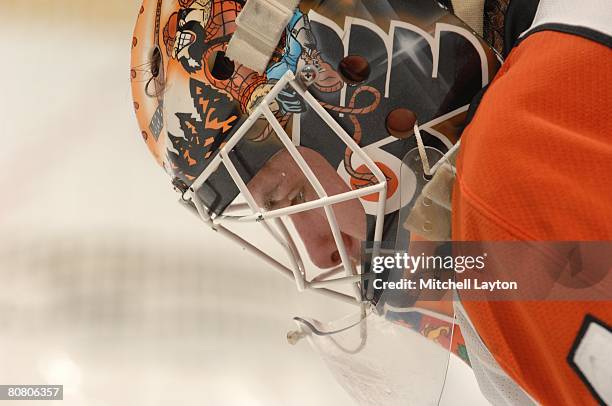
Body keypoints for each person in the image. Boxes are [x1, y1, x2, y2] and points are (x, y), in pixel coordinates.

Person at [130, 0, 611, 404]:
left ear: (357, 70)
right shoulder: (568, 46)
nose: (319, 253)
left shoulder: (503, 187)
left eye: (296, 197)